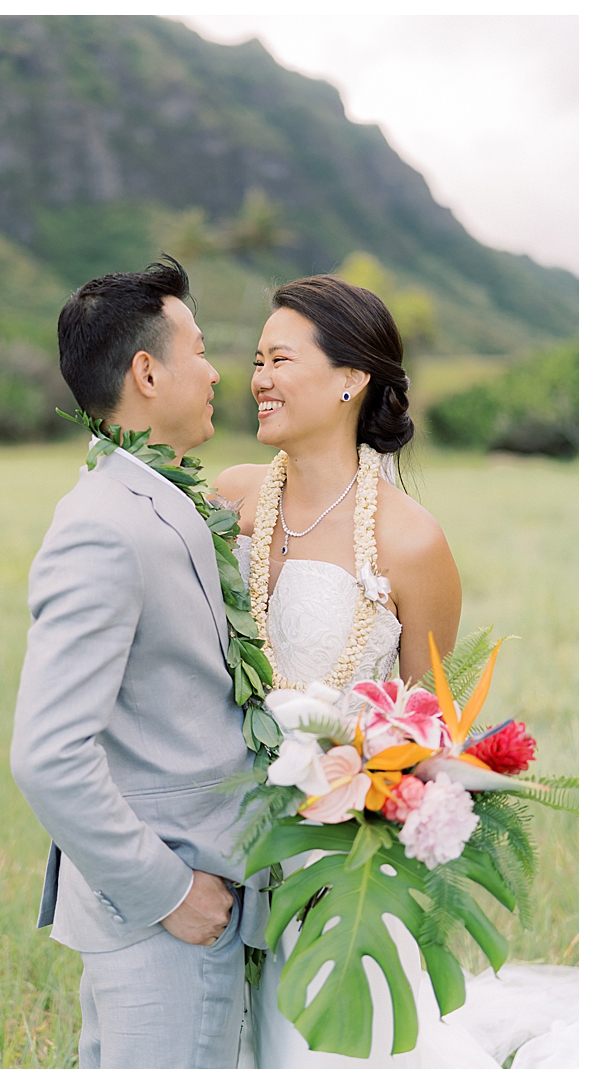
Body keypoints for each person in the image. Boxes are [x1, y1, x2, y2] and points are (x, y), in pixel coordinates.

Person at [212, 275, 491, 1067]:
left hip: (342, 865)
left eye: (280, 359)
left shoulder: (412, 543)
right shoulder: (231, 498)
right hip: (225, 842)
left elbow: (429, 737)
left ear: (349, 378)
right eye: (256, 360)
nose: (258, 379)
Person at [10, 255, 267, 1069]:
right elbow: (47, 755)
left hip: (197, 907)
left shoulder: (157, 497)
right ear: (147, 372)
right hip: (170, 917)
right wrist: (170, 893)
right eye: (198, 350)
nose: (217, 370)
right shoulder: (103, 525)